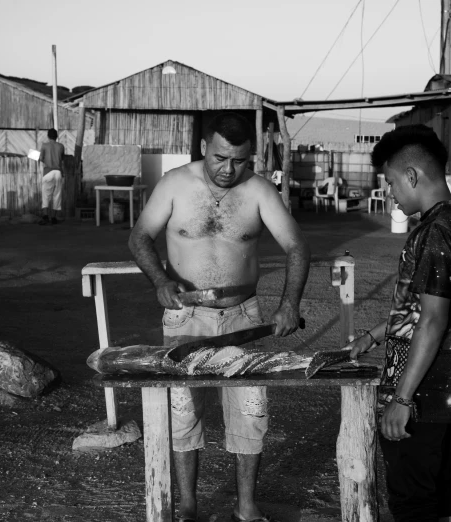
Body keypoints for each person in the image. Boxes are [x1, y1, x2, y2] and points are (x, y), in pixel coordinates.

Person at [129, 112, 310, 522]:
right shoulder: (175, 184)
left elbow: (297, 247)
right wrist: (160, 280)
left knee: (250, 409)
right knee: (182, 409)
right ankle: (189, 506)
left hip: (243, 317)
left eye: (241, 161)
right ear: (204, 148)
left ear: (252, 157)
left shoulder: (260, 192)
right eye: (220, 158)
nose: (229, 170)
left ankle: (246, 507)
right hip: (184, 315)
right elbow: (139, 236)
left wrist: (289, 305)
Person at [347, 125, 451, 522]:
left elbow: (432, 320)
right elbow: (430, 306)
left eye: (392, 182)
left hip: (422, 398)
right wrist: (373, 335)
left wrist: (402, 399)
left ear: (412, 176)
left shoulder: (436, 232)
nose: (392, 194)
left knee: (414, 501)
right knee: (444, 493)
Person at [38, 128, 64, 225]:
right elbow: (61, 158)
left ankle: (45, 217)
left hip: (48, 172)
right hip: (58, 172)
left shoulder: (44, 146)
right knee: (57, 195)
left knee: (46, 196)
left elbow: (41, 158)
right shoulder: (61, 146)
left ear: (48, 136)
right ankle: (53, 218)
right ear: (56, 136)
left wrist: (45, 160)